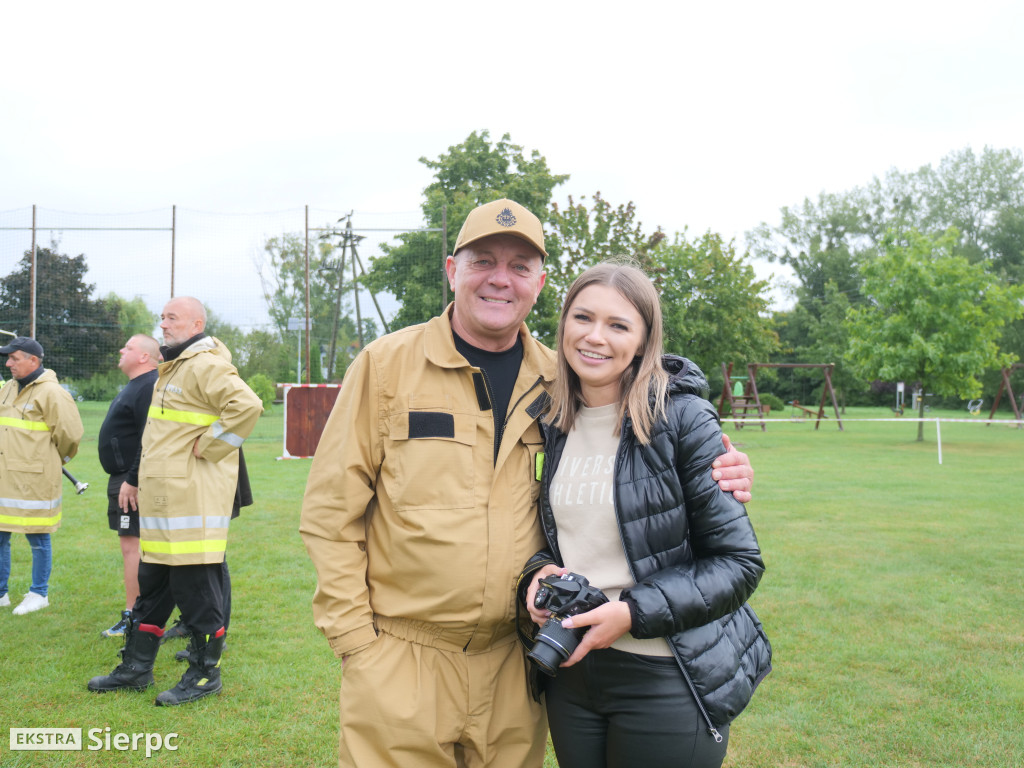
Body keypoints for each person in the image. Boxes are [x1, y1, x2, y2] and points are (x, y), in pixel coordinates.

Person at [300, 198, 755, 768]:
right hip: (401, 659)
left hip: (519, 666)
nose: (500, 278)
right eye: (483, 260)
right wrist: (356, 644)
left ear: (539, 283)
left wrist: (721, 467)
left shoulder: (558, 381)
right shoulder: (386, 366)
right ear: (451, 270)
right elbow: (329, 513)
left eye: (519, 266)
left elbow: (629, 459)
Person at [521, 261, 772, 768]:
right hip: (573, 671)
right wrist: (537, 573)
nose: (595, 337)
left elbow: (739, 563)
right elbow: (570, 536)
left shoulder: (681, 418)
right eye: (583, 318)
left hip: (666, 675)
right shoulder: (553, 421)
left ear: (643, 340)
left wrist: (630, 614)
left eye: (618, 325)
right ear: (563, 323)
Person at [88, 296, 263, 705]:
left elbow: (247, 406)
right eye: (162, 317)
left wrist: (210, 445)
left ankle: (204, 677)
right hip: (165, 501)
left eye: (172, 317)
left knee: (197, 593)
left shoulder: (206, 364)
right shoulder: (173, 367)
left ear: (196, 322)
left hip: (191, 504)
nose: (163, 324)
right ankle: (136, 669)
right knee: (152, 588)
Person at [0, 336, 84, 615]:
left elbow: (70, 437)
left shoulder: (53, 393)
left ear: (33, 360)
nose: (8, 363)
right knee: (0, 534)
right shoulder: (8, 388)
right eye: (8, 358)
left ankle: (39, 593)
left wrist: (48, 460)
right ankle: (1, 593)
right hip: (4, 477)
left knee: (38, 536)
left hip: (35, 479)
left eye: (14, 358)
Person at [96, 333, 160, 637]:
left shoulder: (149, 386)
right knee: (132, 547)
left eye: (129, 347)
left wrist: (132, 480)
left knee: (132, 547)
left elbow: (150, 437)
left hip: (131, 481)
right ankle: (141, 612)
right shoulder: (137, 385)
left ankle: (134, 615)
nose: (122, 350)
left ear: (144, 357)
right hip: (124, 478)